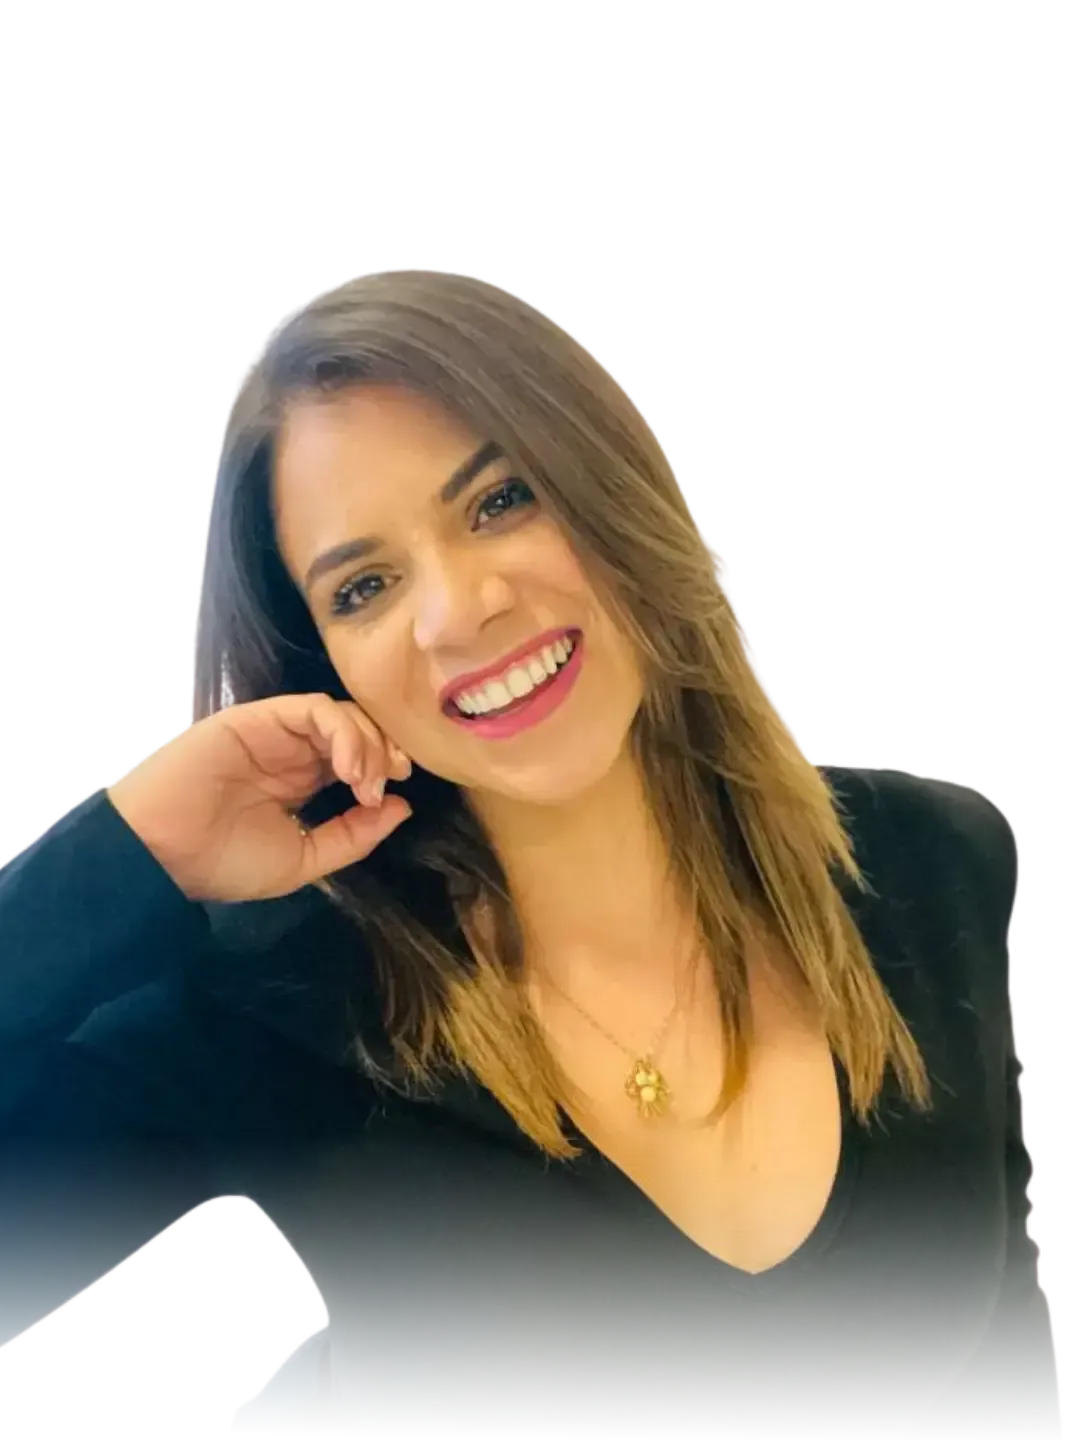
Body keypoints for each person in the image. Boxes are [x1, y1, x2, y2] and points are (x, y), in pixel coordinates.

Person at [0, 269, 1061, 1434]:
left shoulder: (927, 864)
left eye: (501, 500)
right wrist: (122, 858)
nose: (459, 610)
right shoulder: (277, 989)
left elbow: (992, 1369)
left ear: (611, 487)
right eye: (365, 585)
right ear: (323, 664)